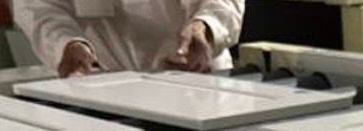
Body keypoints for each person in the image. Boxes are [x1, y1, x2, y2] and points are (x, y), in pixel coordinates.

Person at [14, 1, 245, 78]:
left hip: (196, 76)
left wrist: (205, 26)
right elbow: (40, 9)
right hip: (107, 84)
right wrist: (65, 44)